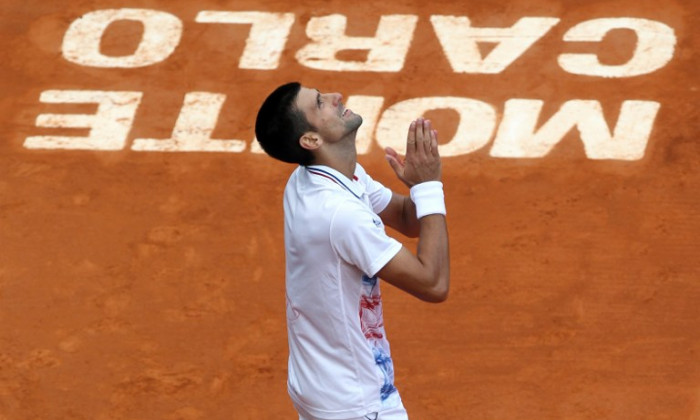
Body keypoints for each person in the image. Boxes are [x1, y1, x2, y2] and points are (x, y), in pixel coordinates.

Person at [254, 82, 450, 420]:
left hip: (324, 386)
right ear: (311, 140)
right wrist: (430, 186)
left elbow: (408, 219)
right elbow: (432, 284)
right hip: (354, 402)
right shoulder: (338, 214)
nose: (335, 97)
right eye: (320, 103)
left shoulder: (321, 177)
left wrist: (418, 190)